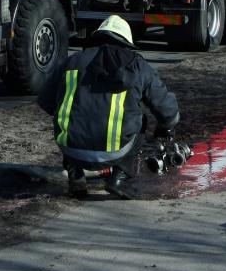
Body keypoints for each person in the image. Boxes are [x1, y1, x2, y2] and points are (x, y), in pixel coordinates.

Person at [37, 15, 180, 200]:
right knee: (141, 121)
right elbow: (167, 111)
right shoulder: (137, 65)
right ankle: (119, 178)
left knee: (70, 121)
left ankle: (76, 177)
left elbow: (47, 102)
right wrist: (166, 128)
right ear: (126, 41)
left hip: (71, 149)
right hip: (115, 152)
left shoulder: (72, 61)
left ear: (98, 37)